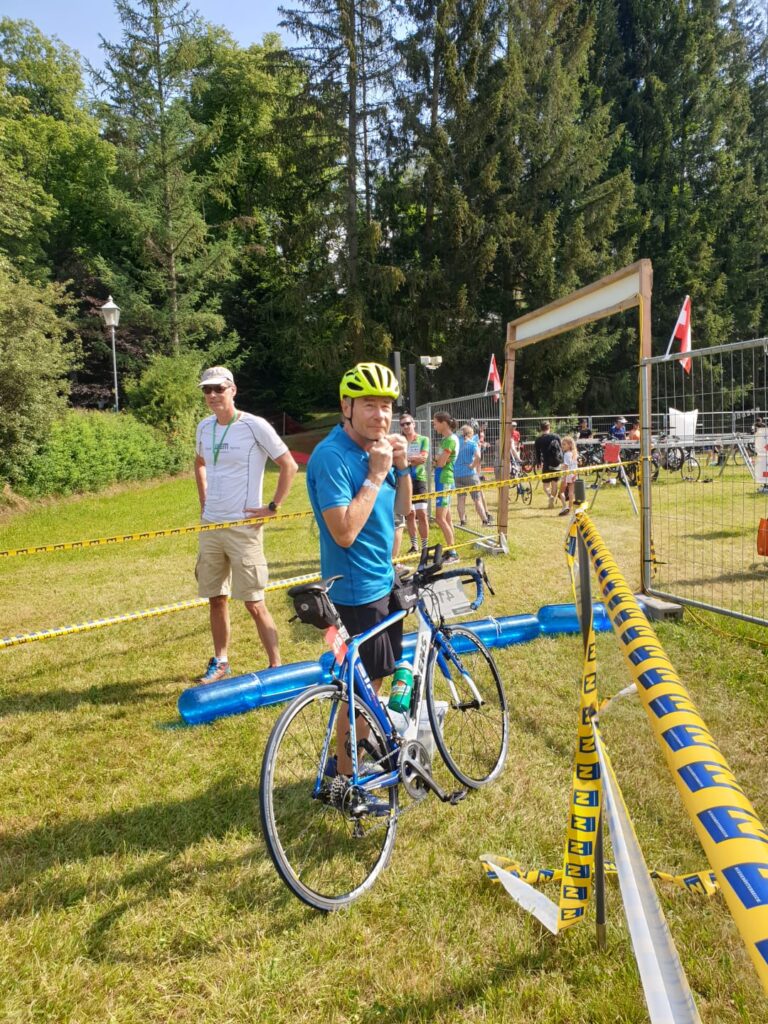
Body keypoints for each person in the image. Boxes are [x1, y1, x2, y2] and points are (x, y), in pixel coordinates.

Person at [306, 362, 411, 775]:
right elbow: (344, 532)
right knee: (359, 691)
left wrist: (401, 468)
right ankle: (348, 775)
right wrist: (377, 474)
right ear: (346, 406)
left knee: (374, 681)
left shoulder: (377, 450)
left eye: (386, 406)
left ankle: (353, 760)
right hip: (353, 592)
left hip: (381, 580)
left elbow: (403, 509)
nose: (380, 415)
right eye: (369, 404)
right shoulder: (332, 456)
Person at [194, 366, 298, 683]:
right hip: (211, 527)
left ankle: (276, 667)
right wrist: (204, 500)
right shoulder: (204, 427)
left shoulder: (255, 425)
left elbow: (289, 464)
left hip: (244, 527)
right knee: (216, 598)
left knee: (254, 602)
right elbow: (199, 462)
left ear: (233, 390)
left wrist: (272, 507)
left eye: (219, 388)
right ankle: (221, 661)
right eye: (207, 390)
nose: (213, 395)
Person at [399, 413, 430, 555]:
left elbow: (423, 458)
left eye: (408, 423)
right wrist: (412, 460)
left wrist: (405, 460)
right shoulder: (400, 442)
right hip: (404, 480)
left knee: (422, 514)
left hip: (419, 479)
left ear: (414, 424)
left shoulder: (423, 439)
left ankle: (425, 547)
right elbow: (396, 460)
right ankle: (414, 546)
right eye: (402, 424)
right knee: (409, 514)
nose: (406, 426)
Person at [432, 411, 460, 562]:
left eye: (435, 423)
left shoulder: (450, 440)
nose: (434, 426)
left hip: (444, 479)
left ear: (443, 423)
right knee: (447, 518)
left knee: (440, 518)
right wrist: (437, 460)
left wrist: (437, 460)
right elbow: (438, 460)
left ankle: (453, 553)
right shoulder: (445, 439)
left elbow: (441, 462)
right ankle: (451, 549)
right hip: (441, 479)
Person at [455, 424, 492, 527]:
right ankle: (485, 521)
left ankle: (462, 521)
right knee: (477, 499)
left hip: (457, 474)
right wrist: (472, 466)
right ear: (470, 434)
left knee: (461, 499)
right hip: (470, 474)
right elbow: (478, 456)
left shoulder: (456, 443)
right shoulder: (472, 443)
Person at [534, 420, 563, 508]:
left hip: (547, 464)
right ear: (549, 427)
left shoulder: (538, 440)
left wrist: (539, 463)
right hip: (557, 463)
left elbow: (537, 453)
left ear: (541, 428)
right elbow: (561, 449)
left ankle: (550, 496)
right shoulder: (556, 436)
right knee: (555, 484)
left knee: (545, 485)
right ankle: (552, 499)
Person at [557, 436, 579, 516]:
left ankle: (564, 506)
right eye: (562, 444)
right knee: (571, 493)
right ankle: (569, 508)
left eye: (564, 444)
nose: (562, 446)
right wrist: (575, 475)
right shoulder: (574, 453)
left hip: (567, 475)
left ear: (569, 445)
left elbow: (566, 466)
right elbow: (576, 465)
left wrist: (564, 478)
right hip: (573, 474)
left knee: (561, 492)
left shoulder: (566, 454)